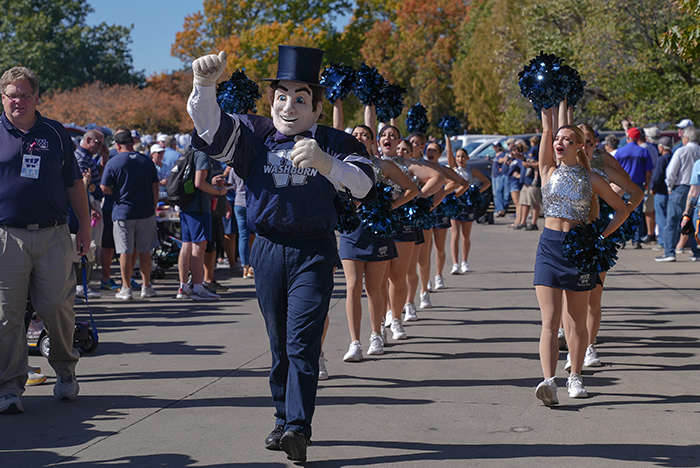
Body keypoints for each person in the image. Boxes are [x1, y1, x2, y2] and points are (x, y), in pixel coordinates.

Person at [187, 45, 375, 462]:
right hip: (267, 248)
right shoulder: (254, 135)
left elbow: (364, 185)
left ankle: (297, 427)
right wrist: (204, 85)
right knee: (278, 345)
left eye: (301, 98)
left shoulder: (334, 141)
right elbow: (210, 130)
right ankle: (280, 417)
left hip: (313, 250)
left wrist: (328, 164)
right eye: (282, 96)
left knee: (302, 342)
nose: (290, 106)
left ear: (318, 107)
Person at [0, 66, 90, 414]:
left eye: (24, 94)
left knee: (56, 308)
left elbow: (74, 184)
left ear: (37, 97)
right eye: (12, 95)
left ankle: (66, 372)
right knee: (7, 316)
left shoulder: (55, 132)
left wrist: (84, 225)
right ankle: (9, 387)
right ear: (2, 98)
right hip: (7, 237)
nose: (18, 101)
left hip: (53, 234)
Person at [534, 101, 628, 406]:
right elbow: (547, 129)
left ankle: (575, 375)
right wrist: (548, 100)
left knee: (575, 321)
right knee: (549, 320)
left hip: (579, 249)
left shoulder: (592, 179)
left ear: (579, 148)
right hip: (548, 247)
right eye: (558, 140)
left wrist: (600, 236)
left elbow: (623, 208)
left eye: (567, 140)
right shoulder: (547, 170)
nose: (560, 143)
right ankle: (549, 382)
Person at [100, 131, 159, 300]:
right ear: (132, 142)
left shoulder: (114, 162)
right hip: (146, 211)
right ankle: (146, 286)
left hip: (123, 211)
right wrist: (153, 206)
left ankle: (126, 288)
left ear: (117, 145)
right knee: (144, 250)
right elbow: (155, 186)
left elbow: (104, 188)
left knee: (124, 251)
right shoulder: (146, 160)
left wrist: (117, 193)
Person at [445, 138, 490, 275]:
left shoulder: (472, 170)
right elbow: (448, 152)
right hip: (455, 203)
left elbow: (486, 182)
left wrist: (476, 192)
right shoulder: (453, 169)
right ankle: (455, 264)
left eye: (463, 156)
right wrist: (448, 138)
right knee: (455, 235)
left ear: (467, 158)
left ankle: (464, 262)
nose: (460, 159)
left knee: (466, 235)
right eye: (458, 156)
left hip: (468, 204)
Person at [657, 125, 700, 261]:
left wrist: (670, 187)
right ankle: (697, 251)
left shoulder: (681, 151)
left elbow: (671, 172)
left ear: (686, 138)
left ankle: (669, 252)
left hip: (680, 188)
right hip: (696, 188)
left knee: (673, 220)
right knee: (694, 221)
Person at [612, 127, 653, 248]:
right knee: (636, 213)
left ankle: (622, 240)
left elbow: (614, 170)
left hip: (622, 185)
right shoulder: (644, 152)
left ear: (628, 137)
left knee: (621, 211)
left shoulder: (620, 152)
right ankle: (636, 240)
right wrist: (647, 183)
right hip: (638, 186)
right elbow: (648, 172)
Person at [650, 137, 674, 252]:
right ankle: (670, 242)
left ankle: (663, 242)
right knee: (669, 219)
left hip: (661, 192)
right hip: (671, 191)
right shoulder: (673, 157)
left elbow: (657, 176)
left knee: (661, 219)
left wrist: (652, 188)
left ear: (662, 147)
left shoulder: (662, 159)